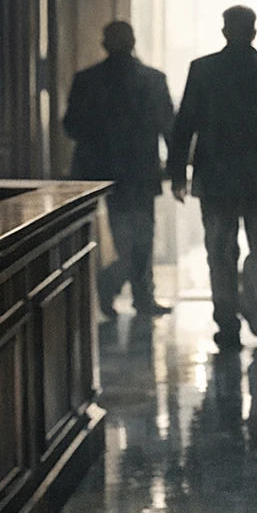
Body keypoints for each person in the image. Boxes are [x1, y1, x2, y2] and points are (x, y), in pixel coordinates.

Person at [167, 6, 257, 348]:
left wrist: (177, 172)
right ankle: (250, 297)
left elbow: (185, 124)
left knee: (219, 249)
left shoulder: (203, 70)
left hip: (215, 175)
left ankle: (227, 320)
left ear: (224, 31)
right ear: (254, 32)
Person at [64, 21, 174, 317]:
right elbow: (169, 127)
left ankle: (116, 287)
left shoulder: (87, 80)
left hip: (105, 172)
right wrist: (176, 168)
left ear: (104, 44)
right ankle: (135, 294)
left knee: (125, 238)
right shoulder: (153, 79)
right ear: (134, 41)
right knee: (142, 238)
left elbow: (71, 127)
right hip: (141, 170)